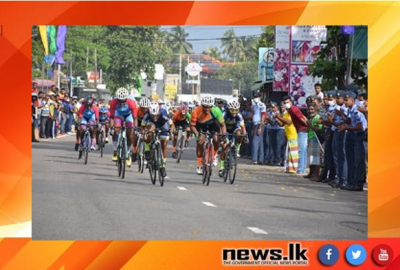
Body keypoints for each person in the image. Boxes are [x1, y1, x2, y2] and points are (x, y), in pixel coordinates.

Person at [338, 91, 368, 191]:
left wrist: (346, 127)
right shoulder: (351, 110)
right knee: (351, 159)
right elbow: (349, 121)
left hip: (359, 136)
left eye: (347, 100)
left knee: (359, 160)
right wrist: (344, 122)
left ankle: (358, 183)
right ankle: (351, 181)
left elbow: (359, 127)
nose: (345, 102)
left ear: (352, 100)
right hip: (353, 135)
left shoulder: (357, 110)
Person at [190, 95, 227, 175]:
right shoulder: (196, 111)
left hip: (212, 124)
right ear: (202, 105)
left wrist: (224, 135)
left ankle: (215, 154)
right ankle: (199, 165)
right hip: (200, 125)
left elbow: (222, 125)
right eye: (205, 107)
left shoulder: (216, 110)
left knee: (216, 139)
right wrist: (197, 134)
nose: (207, 109)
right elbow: (192, 125)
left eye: (209, 107)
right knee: (200, 142)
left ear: (212, 106)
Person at [141, 102, 174, 177]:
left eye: (156, 116)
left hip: (163, 124)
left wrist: (171, 133)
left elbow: (172, 125)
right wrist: (144, 134)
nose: (155, 118)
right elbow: (142, 127)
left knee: (164, 144)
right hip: (151, 123)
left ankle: (163, 166)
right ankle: (147, 151)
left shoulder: (163, 113)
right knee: (149, 133)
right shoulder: (147, 114)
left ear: (159, 112)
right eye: (153, 116)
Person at [109, 88, 138, 167]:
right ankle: (115, 150)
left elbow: (135, 118)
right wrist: (112, 127)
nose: (121, 103)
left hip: (129, 115)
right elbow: (111, 117)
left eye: (123, 101)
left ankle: (128, 153)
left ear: (126, 99)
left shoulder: (131, 103)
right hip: (119, 115)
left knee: (130, 133)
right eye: (119, 101)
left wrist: (135, 128)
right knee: (116, 129)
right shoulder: (113, 102)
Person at [218, 99, 246, 177]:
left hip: (234, 128)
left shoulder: (239, 115)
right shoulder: (224, 114)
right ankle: (221, 167)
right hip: (225, 130)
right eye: (232, 110)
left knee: (240, 133)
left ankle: (237, 148)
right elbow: (221, 126)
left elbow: (243, 127)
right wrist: (222, 136)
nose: (234, 112)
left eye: (236, 110)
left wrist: (245, 135)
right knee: (224, 146)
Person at [282, 95, 308, 175]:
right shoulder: (289, 110)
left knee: (301, 150)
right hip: (300, 130)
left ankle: (300, 169)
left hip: (302, 130)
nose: (286, 104)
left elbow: (301, 118)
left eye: (288, 102)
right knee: (302, 150)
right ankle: (302, 169)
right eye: (285, 103)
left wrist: (308, 126)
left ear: (291, 102)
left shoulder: (293, 109)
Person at [327, 90, 348, 188]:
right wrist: (332, 119)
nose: (337, 99)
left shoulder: (345, 109)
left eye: (338, 98)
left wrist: (335, 119)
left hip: (342, 132)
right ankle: (338, 178)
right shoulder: (338, 108)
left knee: (342, 157)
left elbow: (344, 122)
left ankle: (344, 179)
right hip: (336, 132)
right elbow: (335, 121)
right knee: (336, 157)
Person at [275, 102, 298, 174]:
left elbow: (289, 122)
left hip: (293, 135)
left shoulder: (292, 114)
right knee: (288, 154)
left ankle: (294, 169)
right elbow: (282, 124)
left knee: (293, 154)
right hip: (288, 136)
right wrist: (277, 120)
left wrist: (279, 117)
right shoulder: (286, 114)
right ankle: (289, 168)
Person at [305, 103, 324, 180]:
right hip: (310, 138)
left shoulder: (317, 117)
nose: (310, 111)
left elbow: (317, 128)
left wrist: (309, 125)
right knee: (311, 158)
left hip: (315, 139)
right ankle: (311, 173)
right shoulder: (311, 118)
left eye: (312, 109)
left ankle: (316, 175)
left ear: (316, 110)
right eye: (309, 109)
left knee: (316, 158)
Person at [132, 97, 151, 162]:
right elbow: (135, 119)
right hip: (139, 121)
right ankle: (134, 151)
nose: (145, 109)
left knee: (148, 136)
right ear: (140, 106)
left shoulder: (150, 110)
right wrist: (136, 127)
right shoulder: (137, 110)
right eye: (143, 108)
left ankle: (147, 151)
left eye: (146, 108)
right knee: (135, 136)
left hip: (147, 122)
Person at [250, 92, 267, 165]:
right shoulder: (253, 105)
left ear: (260, 97)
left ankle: (254, 159)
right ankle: (261, 159)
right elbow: (254, 114)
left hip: (260, 124)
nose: (255, 98)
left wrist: (260, 127)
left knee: (255, 142)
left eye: (257, 96)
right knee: (260, 143)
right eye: (255, 96)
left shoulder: (262, 105)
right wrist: (253, 128)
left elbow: (263, 116)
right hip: (255, 124)